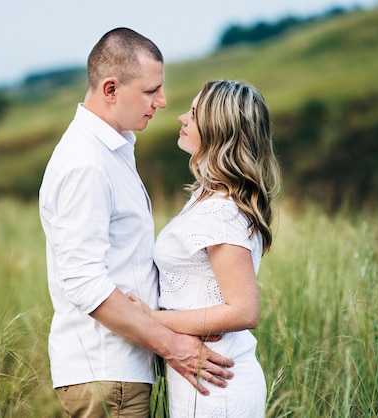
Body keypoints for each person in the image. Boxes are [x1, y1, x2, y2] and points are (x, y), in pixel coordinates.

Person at [39, 28, 234, 417]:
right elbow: (83, 281)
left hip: (122, 371)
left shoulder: (113, 151)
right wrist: (172, 345)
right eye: (150, 91)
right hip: (109, 371)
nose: (161, 102)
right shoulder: (86, 163)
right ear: (111, 89)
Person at [129, 80, 281, 417]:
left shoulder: (221, 211)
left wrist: (153, 321)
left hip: (220, 383)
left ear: (219, 130)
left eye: (195, 113)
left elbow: (244, 311)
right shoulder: (205, 197)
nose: (182, 117)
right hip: (203, 377)